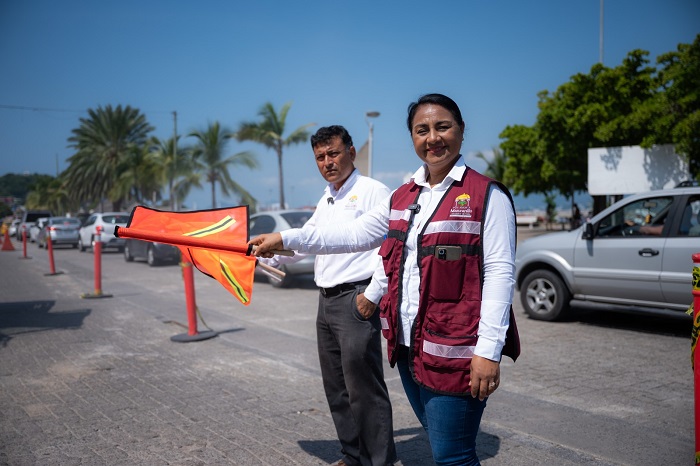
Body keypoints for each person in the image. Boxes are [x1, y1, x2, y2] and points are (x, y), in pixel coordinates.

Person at [250, 94, 521, 466]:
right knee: (440, 440)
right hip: (409, 345)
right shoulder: (404, 195)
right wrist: (286, 241)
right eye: (421, 130)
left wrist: (489, 352)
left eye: (442, 127)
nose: (432, 138)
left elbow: (499, 275)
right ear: (411, 137)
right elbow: (367, 241)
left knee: (452, 455)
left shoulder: (485, 195)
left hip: (455, 347)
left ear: (461, 130)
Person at [259, 125, 396, 466]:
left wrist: (373, 295)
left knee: (364, 389)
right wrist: (270, 254)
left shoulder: (373, 191)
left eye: (333, 153)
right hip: (326, 302)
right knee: (336, 388)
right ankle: (352, 455)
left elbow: (392, 246)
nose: (327, 162)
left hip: (356, 299)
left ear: (351, 151)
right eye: (320, 157)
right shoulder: (328, 197)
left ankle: (378, 461)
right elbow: (312, 238)